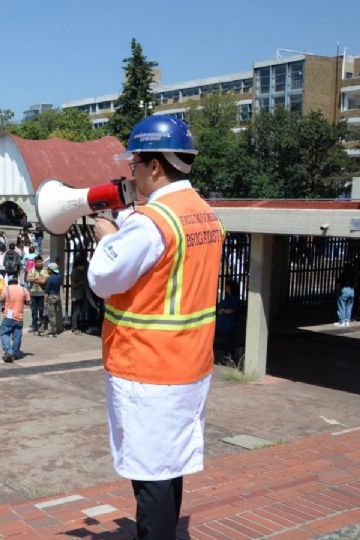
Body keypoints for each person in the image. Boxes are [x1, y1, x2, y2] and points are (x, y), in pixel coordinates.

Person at [88, 115, 223, 539]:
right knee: (170, 465)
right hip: (189, 365)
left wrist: (106, 238)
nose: (131, 173)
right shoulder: (202, 213)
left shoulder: (152, 222)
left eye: (135, 164)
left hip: (147, 368)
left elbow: (102, 279)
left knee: (150, 480)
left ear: (156, 167)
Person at [0, 275, 31, 363]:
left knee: (4, 333)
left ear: (8, 281)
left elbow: (1, 300)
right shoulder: (23, 289)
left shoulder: (6, 289)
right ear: (17, 281)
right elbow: (28, 302)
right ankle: (15, 353)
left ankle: (8, 351)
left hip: (8, 316)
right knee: (17, 336)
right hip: (19, 316)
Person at [215, 280, 241, 361]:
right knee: (227, 341)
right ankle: (227, 357)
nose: (225, 288)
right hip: (225, 324)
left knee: (229, 341)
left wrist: (222, 311)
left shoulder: (234, 298)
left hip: (229, 324)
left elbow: (232, 310)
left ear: (230, 288)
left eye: (227, 286)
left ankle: (229, 358)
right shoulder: (229, 297)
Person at [26, 258, 47, 334]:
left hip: (41, 293)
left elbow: (43, 281)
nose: (38, 263)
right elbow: (28, 279)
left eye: (40, 262)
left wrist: (33, 279)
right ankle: (34, 326)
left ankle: (41, 326)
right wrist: (38, 278)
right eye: (37, 262)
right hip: (33, 293)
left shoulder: (45, 270)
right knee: (34, 311)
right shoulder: (31, 270)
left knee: (41, 310)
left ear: (42, 262)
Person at [42, 263, 63, 336]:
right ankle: (57, 328)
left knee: (52, 315)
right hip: (57, 296)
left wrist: (45, 302)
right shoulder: (59, 277)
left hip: (51, 297)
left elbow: (46, 291)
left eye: (48, 269)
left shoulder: (50, 278)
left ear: (51, 270)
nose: (48, 270)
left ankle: (53, 331)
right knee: (55, 313)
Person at [335, 262, 356, 327]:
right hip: (352, 290)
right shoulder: (353, 275)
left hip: (344, 290)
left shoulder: (343, 275)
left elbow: (338, 284)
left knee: (342, 306)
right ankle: (347, 321)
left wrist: (337, 290)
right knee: (349, 306)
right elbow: (356, 283)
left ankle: (342, 321)